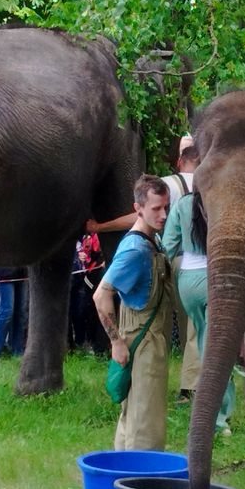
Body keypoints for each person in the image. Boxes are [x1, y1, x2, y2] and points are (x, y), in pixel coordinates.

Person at [93, 175, 172, 451]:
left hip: (152, 339)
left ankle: (124, 479)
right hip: (141, 339)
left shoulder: (152, 240)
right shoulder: (135, 249)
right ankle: (139, 484)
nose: (163, 215)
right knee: (144, 423)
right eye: (156, 209)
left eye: (166, 207)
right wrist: (116, 342)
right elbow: (101, 294)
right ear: (138, 208)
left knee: (136, 416)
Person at [161, 178, 234, 433]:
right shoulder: (223, 201)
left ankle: (209, 410)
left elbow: (168, 245)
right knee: (218, 350)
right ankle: (219, 418)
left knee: (204, 341)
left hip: (187, 283)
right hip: (215, 278)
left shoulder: (182, 204)